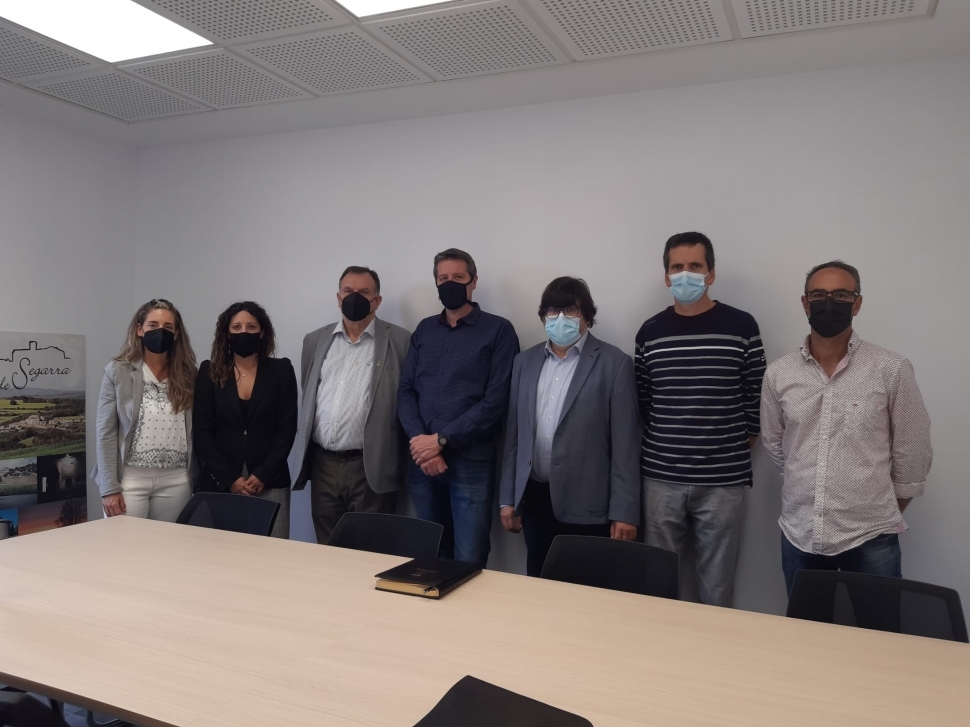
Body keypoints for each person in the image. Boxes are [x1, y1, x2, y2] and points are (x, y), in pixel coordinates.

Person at [761, 261, 932, 596]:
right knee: (806, 625)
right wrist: (808, 482)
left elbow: (912, 449)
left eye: (840, 295)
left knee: (878, 626)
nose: (829, 303)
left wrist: (879, 508)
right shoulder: (779, 374)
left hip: (871, 535)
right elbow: (776, 443)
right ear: (805, 303)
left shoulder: (891, 369)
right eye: (818, 295)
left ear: (857, 303)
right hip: (800, 533)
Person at [635, 232, 765, 607]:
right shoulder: (650, 332)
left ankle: (714, 647)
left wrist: (732, 446)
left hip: (723, 481)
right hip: (661, 477)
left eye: (695, 266)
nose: (686, 274)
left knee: (717, 588)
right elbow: (644, 400)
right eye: (677, 267)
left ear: (711, 273)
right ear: (666, 276)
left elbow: (756, 396)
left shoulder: (741, 326)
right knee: (659, 586)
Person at [499, 277, 640, 576]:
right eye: (552, 310)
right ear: (543, 316)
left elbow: (625, 446)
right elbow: (514, 438)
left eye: (571, 310)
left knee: (586, 593)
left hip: (589, 505)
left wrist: (625, 511)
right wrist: (508, 499)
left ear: (587, 316)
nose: (560, 317)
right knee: (539, 586)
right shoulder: (524, 362)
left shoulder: (615, 363)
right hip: (536, 500)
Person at [398, 248, 519, 566]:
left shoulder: (499, 330)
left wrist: (440, 440)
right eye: (443, 278)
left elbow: (495, 401)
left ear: (473, 281)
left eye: (458, 277)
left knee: (469, 555)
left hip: (471, 459)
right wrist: (422, 443)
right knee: (429, 554)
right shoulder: (424, 329)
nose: (449, 283)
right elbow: (406, 391)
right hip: (421, 461)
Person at [295, 266, 411, 545]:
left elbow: (408, 397)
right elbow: (309, 391)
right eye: (348, 291)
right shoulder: (315, 340)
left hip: (371, 464)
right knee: (328, 547)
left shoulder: (401, 341)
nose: (354, 297)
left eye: (363, 292)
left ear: (377, 300)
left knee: (372, 550)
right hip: (323, 464)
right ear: (338, 298)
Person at [193, 301, 297, 539]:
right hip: (222, 480)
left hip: (270, 478)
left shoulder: (281, 370)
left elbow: (287, 427)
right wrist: (229, 478)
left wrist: (263, 474)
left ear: (262, 332)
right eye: (237, 327)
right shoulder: (209, 372)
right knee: (224, 550)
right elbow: (202, 430)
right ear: (227, 333)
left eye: (251, 327)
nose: (244, 332)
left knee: (274, 552)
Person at [92, 298, 197, 521]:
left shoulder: (189, 375)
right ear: (140, 329)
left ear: (176, 333)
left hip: (177, 481)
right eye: (153, 325)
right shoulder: (118, 371)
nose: (161, 331)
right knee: (124, 543)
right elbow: (106, 432)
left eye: (168, 327)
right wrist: (109, 488)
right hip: (129, 480)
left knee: (170, 543)